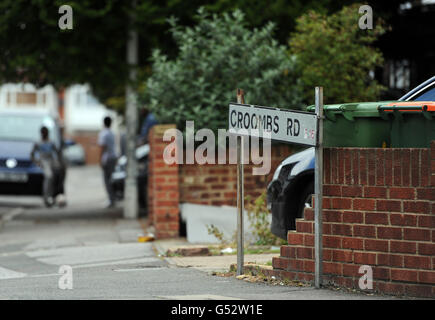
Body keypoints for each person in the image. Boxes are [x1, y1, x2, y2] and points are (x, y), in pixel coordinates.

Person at [31, 126, 62, 208]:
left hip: (51, 160)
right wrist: (37, 162)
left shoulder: (51, 142)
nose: (44, 134)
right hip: (44, 161)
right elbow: (32, 154)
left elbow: (57, 152)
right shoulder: (38, 143)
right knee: (49, 176)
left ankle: (54, 196)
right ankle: (47, 197)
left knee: (56, 177)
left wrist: (58, 162)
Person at [98, 116, 117, 208]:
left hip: (107, 158)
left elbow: (102, 147)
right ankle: (113, 198)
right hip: (113, 157)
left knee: (107, 179)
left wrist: (100, 159)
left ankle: (111, 199)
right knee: (111, 178)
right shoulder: (112, 133)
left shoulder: (103, 133)